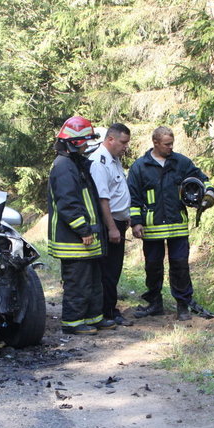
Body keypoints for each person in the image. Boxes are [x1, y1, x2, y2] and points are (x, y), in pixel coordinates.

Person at [127, 126, 214, 321]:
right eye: (166, 144)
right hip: (152, 228)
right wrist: (136, 223)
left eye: (172, 144)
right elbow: (133, 198)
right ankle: (154, 303)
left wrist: (209, 194)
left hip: (177, 226)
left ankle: (183, 306)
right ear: (155, 143)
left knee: (180, 266)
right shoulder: (139, 167)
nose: (170, 147)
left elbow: (204, 180)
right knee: (153, 267)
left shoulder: (181, 162)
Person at [47, 116, 116, 335]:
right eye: (84, 141)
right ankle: (73, 322)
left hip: (85, 237)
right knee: (78, 282)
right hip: (73, 239)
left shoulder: (75, 164)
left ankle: (92, 318)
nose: (87, 145)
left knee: (93, 281)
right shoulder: (63, 167)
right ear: (74, 142)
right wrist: (83, 230)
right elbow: (69, 204)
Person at [89, 123, 134, 327]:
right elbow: (102, 199)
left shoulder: (114, 160)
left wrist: (127, 216)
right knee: (108, 269)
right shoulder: (100, 162)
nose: (126, 147)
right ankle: (107, 312)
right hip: (110, 223)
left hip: (119, 220)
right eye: (123, 142)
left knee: (114, 269)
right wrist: (112, 227)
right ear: (110, 139)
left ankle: (109, 309)